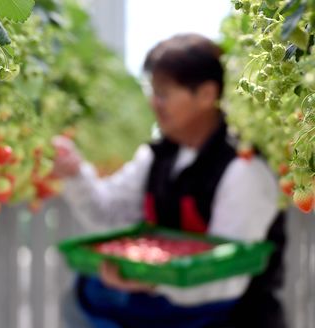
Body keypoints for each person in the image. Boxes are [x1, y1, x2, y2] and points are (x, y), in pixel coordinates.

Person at [53, 33, 286, 328]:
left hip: (228, 316)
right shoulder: (157, 157)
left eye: (163, 93)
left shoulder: (244, 170)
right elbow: (108, 213)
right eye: (152, 92)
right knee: (82, 292)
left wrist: (150, 279)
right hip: (163, 307)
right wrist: (75, 173)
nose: (153, 103)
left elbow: (227, 278)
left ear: (206, 94)